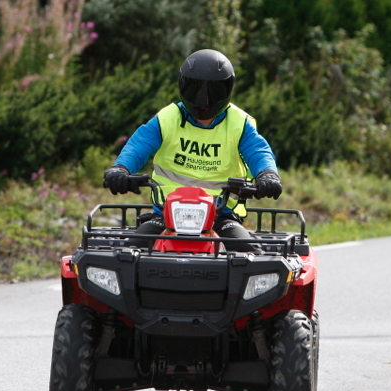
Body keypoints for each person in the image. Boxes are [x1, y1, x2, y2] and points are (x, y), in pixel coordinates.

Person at [102, 49, 281, 253]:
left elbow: (259, 152)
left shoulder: (239, 124)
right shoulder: (168, 118)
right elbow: (138, 145)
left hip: (222, 215)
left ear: (228, 89)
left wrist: (267, 174)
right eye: (195, 89)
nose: (203, 100)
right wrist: (121, 168)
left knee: (250, 255)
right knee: (129, 253)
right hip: (166, 214)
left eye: (214, 91)